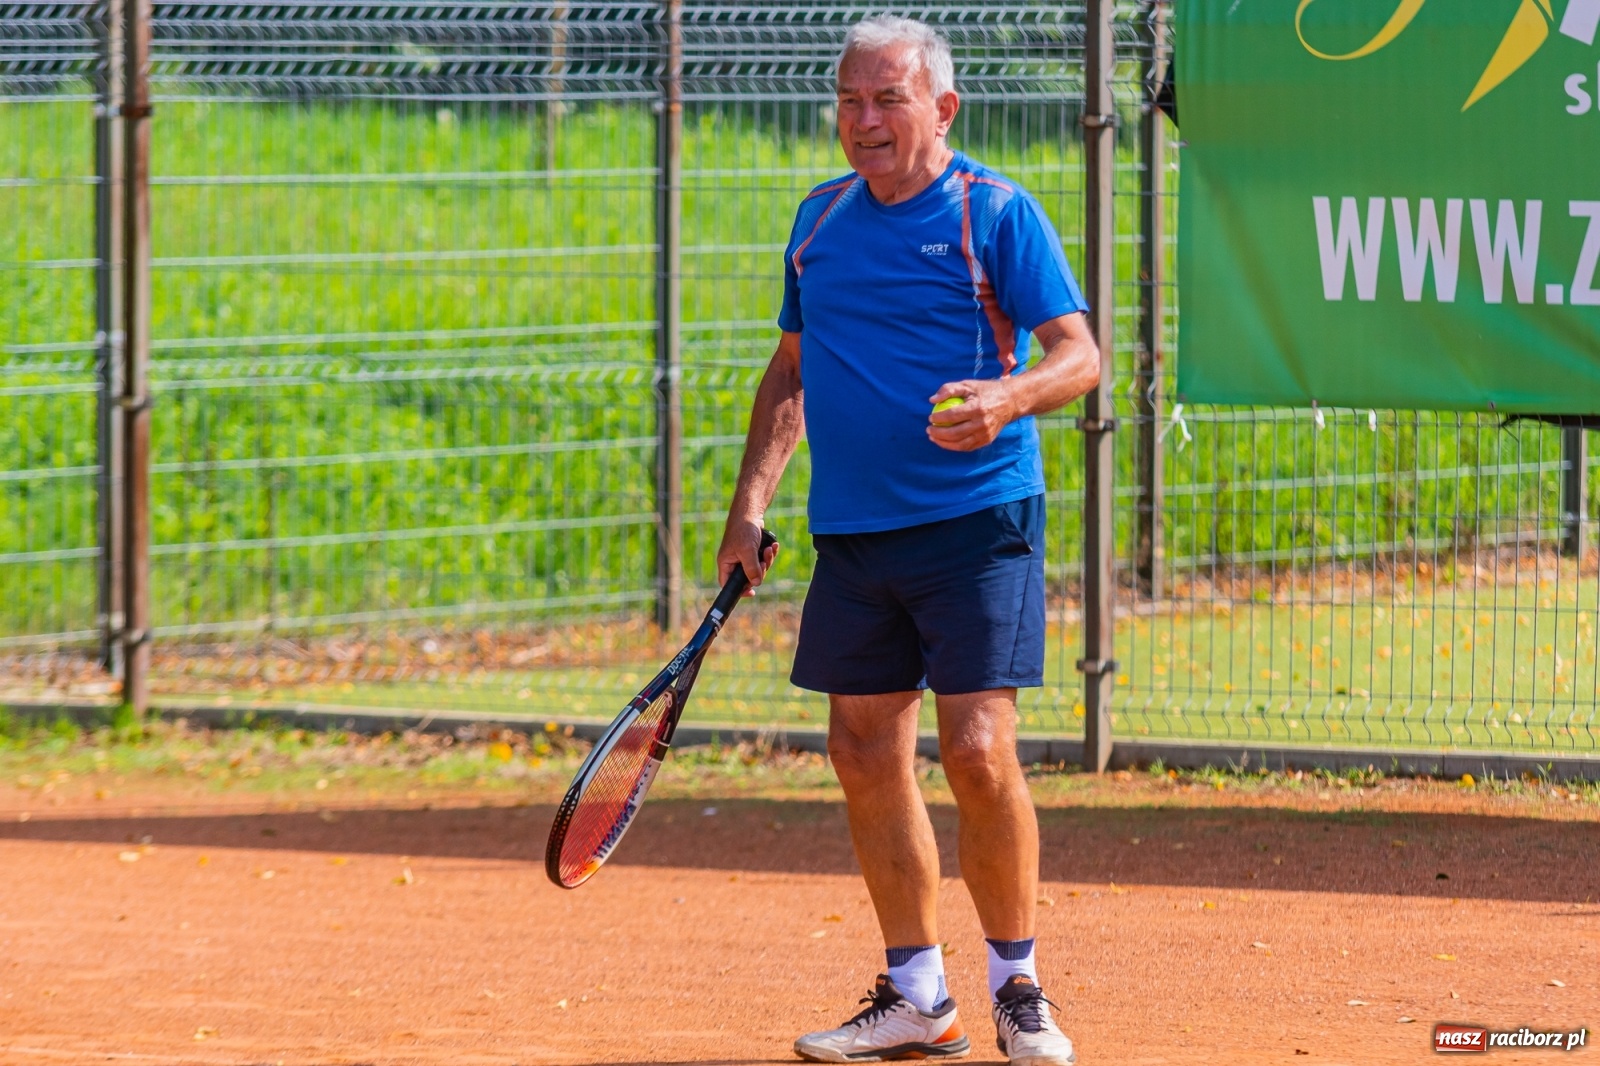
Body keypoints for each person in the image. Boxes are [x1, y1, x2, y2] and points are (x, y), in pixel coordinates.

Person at [715, 14, 1099, 1066]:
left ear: (941, 107)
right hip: (853, 532)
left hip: (977, 521)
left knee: (977, 751)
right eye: (849, 99)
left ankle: (1017, 984)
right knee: (861, 748)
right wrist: (750, 505)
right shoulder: (819, 220)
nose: (864, 120)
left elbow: (1081, 355)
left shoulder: (994, 212)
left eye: (887, 99)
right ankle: (917, 998)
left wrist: (1006, 397)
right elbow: (789, 375)